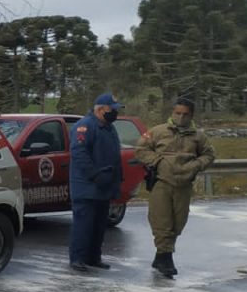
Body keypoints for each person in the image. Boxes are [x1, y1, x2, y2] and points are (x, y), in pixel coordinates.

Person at [134, 98, 216, 276]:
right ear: (172, 113)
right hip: (162, 182)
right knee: (161, 220)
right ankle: (165, 258)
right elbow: (140, 150)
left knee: (178, 222)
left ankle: (161, 254)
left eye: (185, 114)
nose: (181, 117)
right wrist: (158, 161)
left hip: (184, 184)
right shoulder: (158, 131)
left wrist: (196, 165)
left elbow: (209, 154)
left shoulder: (198, 136)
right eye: (177, 113)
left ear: (191, 115)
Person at [68, 93, 124, 272]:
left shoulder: (109, 128)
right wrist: (94, 175)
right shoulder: (85, 126)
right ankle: (78, 258)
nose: (115, 113)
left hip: (104, 186)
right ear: (100, 109)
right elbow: (79, 154)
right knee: (84, 225)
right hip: (87, 186)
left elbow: (115, 156)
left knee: (99, 226)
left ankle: (93, 257)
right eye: (112, 110)